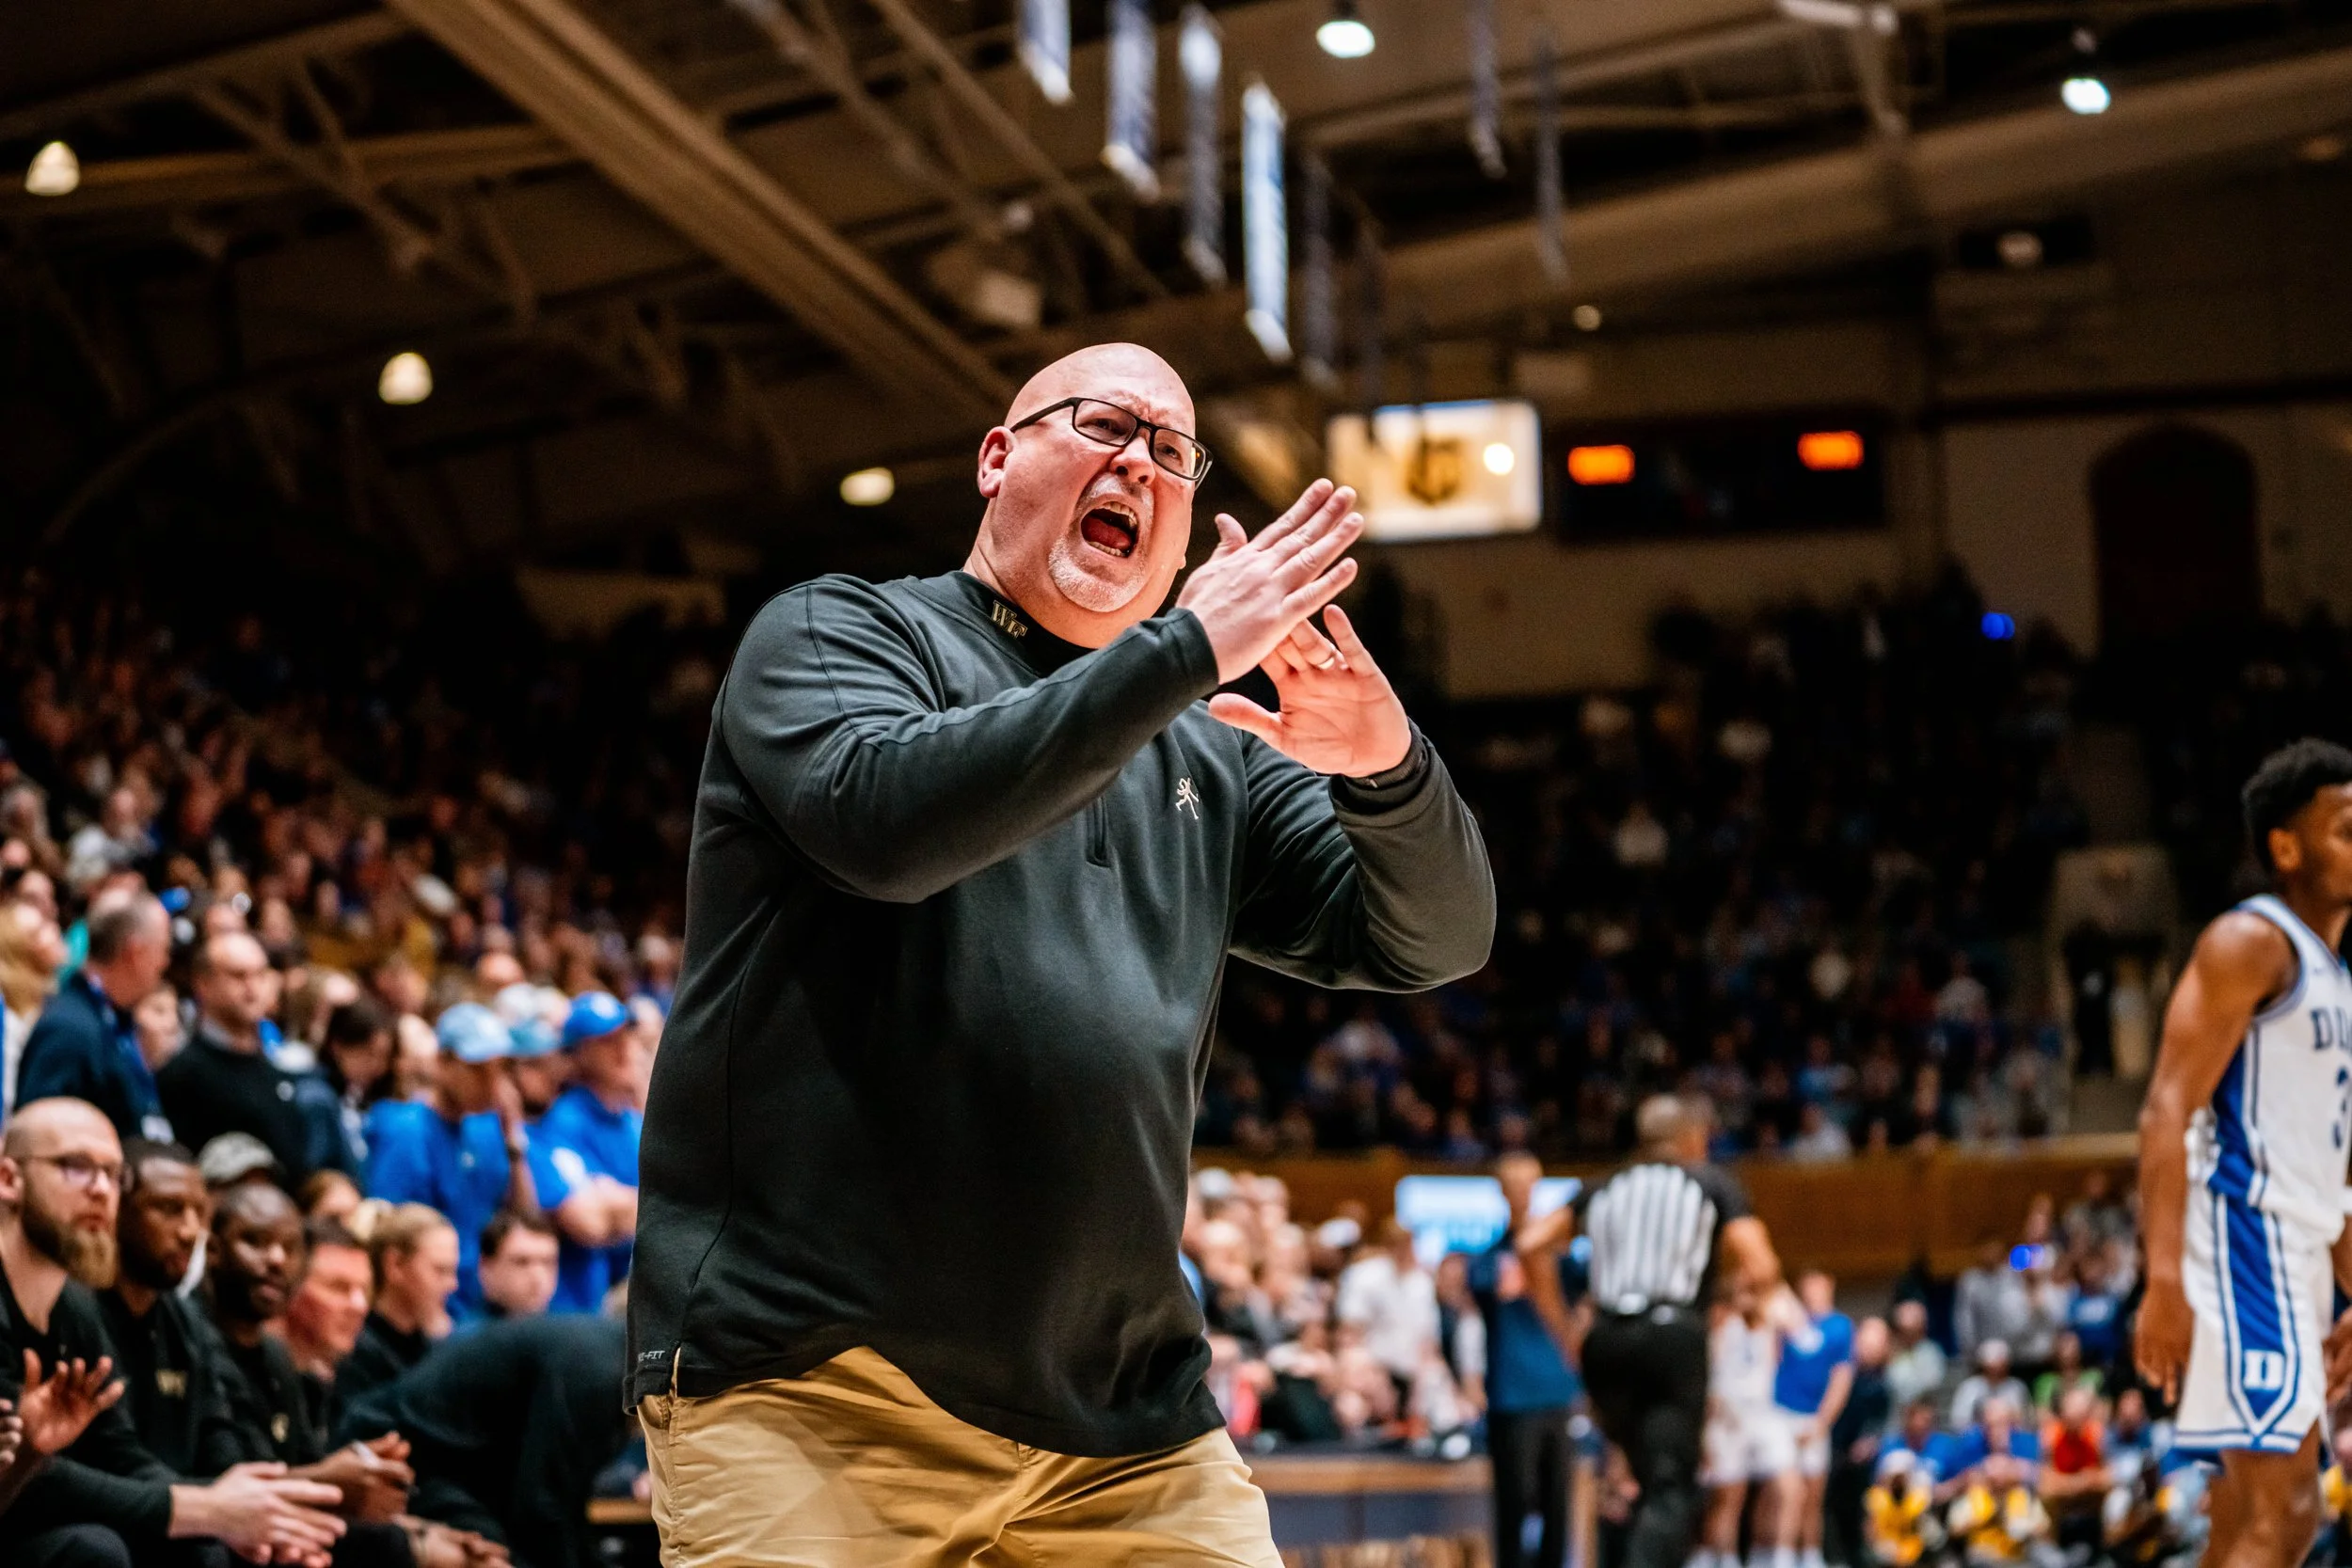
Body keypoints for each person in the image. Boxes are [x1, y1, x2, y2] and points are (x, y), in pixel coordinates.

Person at [628, 341, 1493, 1566]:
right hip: (819, 1385)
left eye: (1172, 451)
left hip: (1129, 1422)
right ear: (999, 456)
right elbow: (888, 826)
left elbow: (1437, 933)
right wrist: (1181, 651)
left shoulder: (1214, 749)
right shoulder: (839, 629)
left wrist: (1388, 764)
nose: (1139, 458)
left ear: (1188, 524)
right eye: (1104, 424)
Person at [2138, 738, 2352, 1568]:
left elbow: (2331, 1165)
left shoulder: (2336, 979)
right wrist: (2161, 1277)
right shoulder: (2249, 941)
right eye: (2344, 827)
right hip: (2242, 1237)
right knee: (2287, 1508)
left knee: (2241, 1519)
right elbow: (2166, 1109)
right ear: (2286, 847)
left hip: (2294, 1249)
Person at [0, 1097, 348, 1568]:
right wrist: (207, 1510)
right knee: (94, 1552)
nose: (101, 1189)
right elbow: (38, 1485)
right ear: (7, 1179)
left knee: (204, 1547)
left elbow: (119, 1454)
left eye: (112, 1174)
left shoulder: (74, 1310)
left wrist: (248, 1516)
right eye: (76, 1167)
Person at [1520, 1095, 1779, 1568]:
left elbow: (1531, 1243)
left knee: (1635, 1482)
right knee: (1670, 1488)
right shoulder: (1709, 1183)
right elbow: (1762, 1266)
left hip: (1607, 1345)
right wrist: (1729, 1300)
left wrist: (1563, 1330)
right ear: (1690, 1139)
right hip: (1671, 1341)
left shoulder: (1601, 1188)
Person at [338, 1314, 629, 1568]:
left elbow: (562, 1504)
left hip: (462, 1468)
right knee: (493, 1559)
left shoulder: (618, 1357)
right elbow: (540, 1507)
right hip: (395, 1453)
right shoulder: (600, 1373)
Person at [363, 1005, 536, 1315]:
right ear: (442, 1063)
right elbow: (389, 1239)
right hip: (434, 1307)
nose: (491, 1082)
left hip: (484, 1303)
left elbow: (525, 1218)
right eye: (477, 1069)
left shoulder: (488, 1129)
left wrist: (514, 1140)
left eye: (498, 1069)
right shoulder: (407, 1131)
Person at [1467, 1152, 1581, 1568]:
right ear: (1501, 1190)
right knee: (1514, 1504)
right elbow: (1483, 1290)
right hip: (1512, 1395)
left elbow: (1584, 1288)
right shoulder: (1488, 1258)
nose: (1521, 1192)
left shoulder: (1559, 1256)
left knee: (1557, 1506)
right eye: (1513, 1184)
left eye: (1529, 1183)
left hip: (1557, 1390)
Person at [157, 932, 325, 1189]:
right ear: (203, 984)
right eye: (238, 976)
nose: (252, 987)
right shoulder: (182, 1073)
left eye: (260, 975)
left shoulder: (275, 1068)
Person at [14, 894, 173, 1145]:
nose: (165, 962)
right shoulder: (69, 1029)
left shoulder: (116, 1019)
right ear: (135, 952)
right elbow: (37, 1139)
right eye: (163, 949)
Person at [527, 993, 639, 1313]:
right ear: (579, 1054)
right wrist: (650, 1205)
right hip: (584, 1301)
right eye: (606, 1041)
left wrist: (623, 1202)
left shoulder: (631, 1121)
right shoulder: (564, 1120)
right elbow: (590, 1222)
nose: (622, 1048)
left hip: (630, 1288)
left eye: (623, 1035)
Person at [1771, 1270, 1855, 1568]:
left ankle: (1810, 1555)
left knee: (1812, 1494)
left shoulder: (1840, 1327)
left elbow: (1841, 1378)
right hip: (1781, 1415)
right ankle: (1779, 1556)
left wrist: (1821, 1422)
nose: (1812, 1291)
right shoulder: (1787, 1320)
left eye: (1818, 1284)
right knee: (1784, 1491)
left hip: (1814, 1419)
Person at [338, 1206, 456, 1407]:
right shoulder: (355, 1352)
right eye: (440, 1271)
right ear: (395, 1265)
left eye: (453, 1271)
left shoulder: (431, 1345)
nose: (452, 1284)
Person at [471, 1213, 558, 1323]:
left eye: (548, 1262)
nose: (538, 1276)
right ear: (486, 1268)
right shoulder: (462, 1337)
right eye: (521, 1262)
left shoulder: (571, 1333)